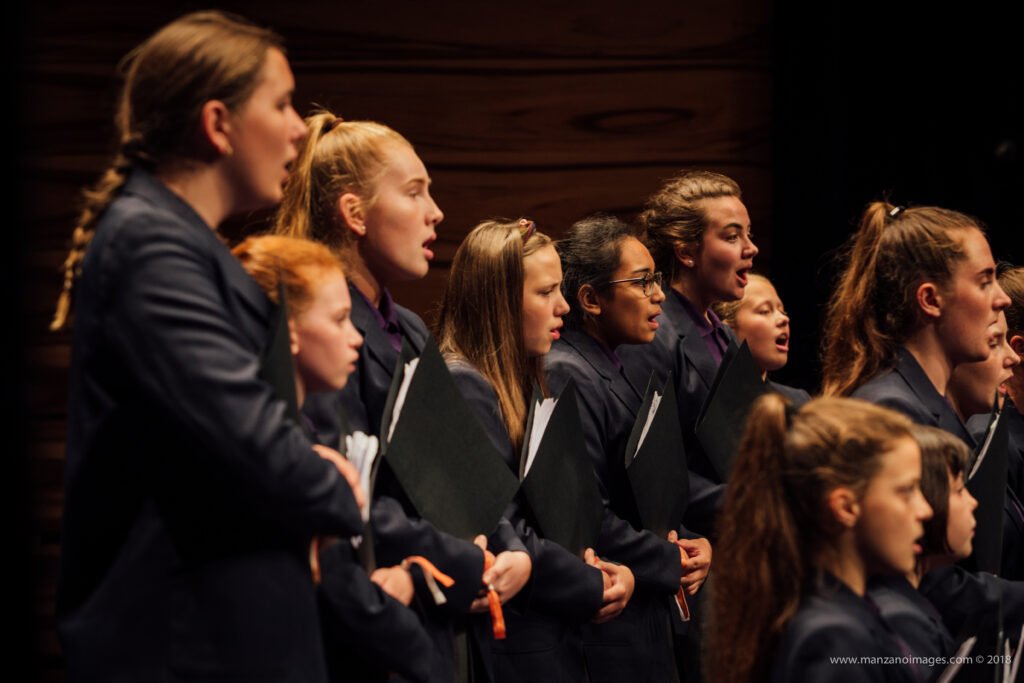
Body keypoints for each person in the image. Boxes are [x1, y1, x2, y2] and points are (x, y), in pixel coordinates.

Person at [52, 13, 364, 681]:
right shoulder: (152, 243)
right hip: (189, 647)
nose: (298, 128)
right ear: (218, 124)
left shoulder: (179, 242)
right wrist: (335, 488)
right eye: (281, 104)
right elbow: (250, 442)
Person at [274, 112, 530, 683]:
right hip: (379, 619)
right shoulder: (321, 332)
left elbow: (463, 468)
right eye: (414, 192)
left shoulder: (411, 328)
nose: (435, 212)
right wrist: (466, 559)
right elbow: (352, 494)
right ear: (355, 213)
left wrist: (512, 548)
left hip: (447, 611)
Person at [436, 218, 636, 683]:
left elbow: (557, 514)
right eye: (546, 292)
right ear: (498, 302)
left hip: (546, 636)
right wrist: (595, 583)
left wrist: (610, 568)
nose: (563, 306)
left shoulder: (521, 382)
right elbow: (503, 529)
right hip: (515, 647)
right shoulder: (465, 383)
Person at [234, 234, 433, 683]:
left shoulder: (299, 436)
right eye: (341, 319)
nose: (356, 337)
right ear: (289, 331)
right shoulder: (285, 456)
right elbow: (340, 592)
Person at [545, 214, 711, 683]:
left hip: (644, 620)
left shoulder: (615, 366)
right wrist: (671, 559)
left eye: (656, 280)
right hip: (609, 631)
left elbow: (642, 494)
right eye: (642, 282)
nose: (659, 295)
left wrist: (689, 540)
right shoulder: (566, 371)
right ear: (591, 299)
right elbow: (586, 516)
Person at [709, 395, 932, 683]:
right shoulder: (832, 640)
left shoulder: (844, 609)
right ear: (845, 507)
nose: (925, 510)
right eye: (907, 490)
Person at [617, 170, 757, 531]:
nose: (751, 248)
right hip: (688, 537)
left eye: (749, 234)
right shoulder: (652, 336)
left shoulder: (724, 333)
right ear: (686, 252)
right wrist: (750, 502)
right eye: (732, 236)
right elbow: (649, 467)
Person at [821, 202, 1011, 449]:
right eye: (985, 282)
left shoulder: (930, 404)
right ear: (930, 300)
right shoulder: (894, 412)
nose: (1003, 299)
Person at [712, 272, 811, 405]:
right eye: (765, 311)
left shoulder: (799, 401)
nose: (784, 318)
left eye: (782, 311)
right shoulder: (704, 398)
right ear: (728, 329)